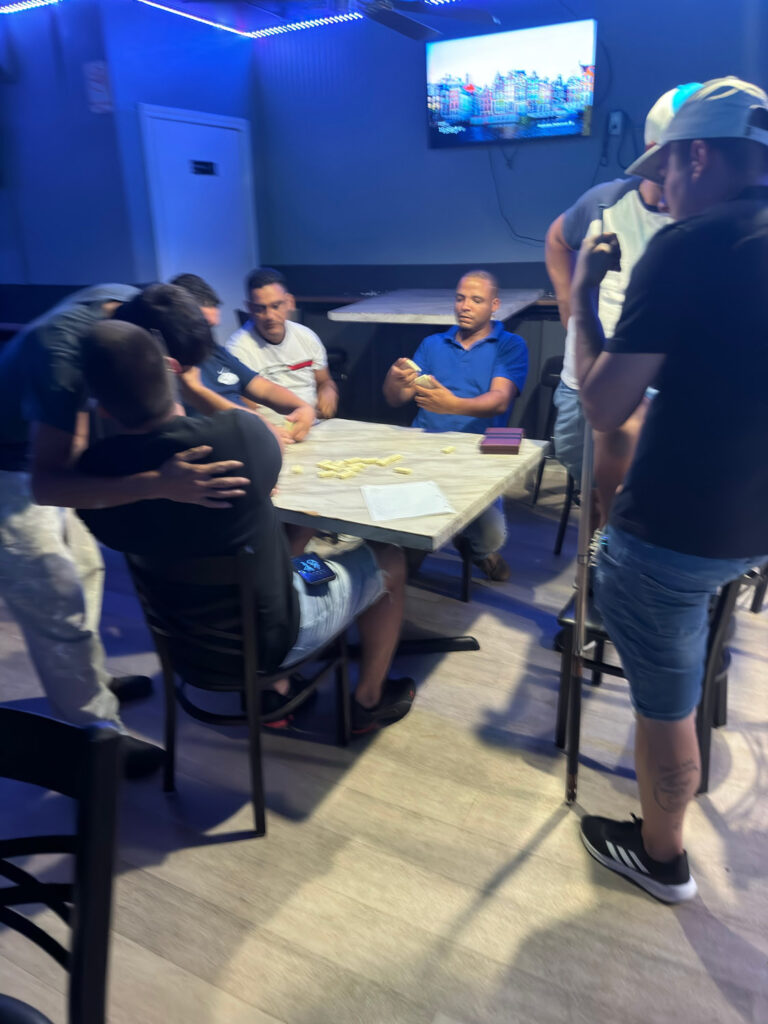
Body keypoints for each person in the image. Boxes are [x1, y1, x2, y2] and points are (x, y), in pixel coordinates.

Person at [571, 76, 768, 902]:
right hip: (755, 522)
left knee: (666, 704)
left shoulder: (686, 248)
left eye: (665, 172)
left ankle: (663, 858)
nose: (660, 190)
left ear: (697, 155)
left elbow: (604, 406)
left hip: (674, 529)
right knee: (688, 662)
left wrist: (583, 291)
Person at [78, 320, 415, 735]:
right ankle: (369, 701)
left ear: (103, 407)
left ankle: (275, 690)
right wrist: (197, 389)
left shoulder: (93, 480)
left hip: (185, 646)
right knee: (390, 557)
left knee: (289, 548)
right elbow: (271, 433)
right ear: (172, 369)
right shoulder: (236, 437)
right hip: (274, 638)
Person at [0, 284, 249, 778]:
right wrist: (157, 483)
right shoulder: (64, 359)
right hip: (10, 471)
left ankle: (88, 683)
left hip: (39, 454)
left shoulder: (135, 304)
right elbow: (51, 484)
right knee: (56, 602)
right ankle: (96, 742)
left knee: (87, 567)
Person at [546, 84, 701, 521]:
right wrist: (567, 300)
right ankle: (596, 564)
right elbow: (557, 238)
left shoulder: (704, 221)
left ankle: (615, 561)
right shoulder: (605, 202)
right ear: (654, 155)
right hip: (587, 375)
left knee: (640, 497)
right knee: (591, 485)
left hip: (658, 385)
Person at [382, 270, 528, 581]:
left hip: (480, 452)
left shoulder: (510, 345)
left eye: (476, 300)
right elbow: (398, 398)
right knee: (401, 531)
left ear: (494, 305)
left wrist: (453, 405)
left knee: (491, 537)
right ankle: (415, 546)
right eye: (460, 298)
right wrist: (394, 380)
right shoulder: (433, 343)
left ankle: (473, 546)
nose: (465, 306)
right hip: (425, 447)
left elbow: (500, 400)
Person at [168, 273, 315, 445]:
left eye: (212, 327)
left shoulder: (215, 351)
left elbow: (264, 389)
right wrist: (261, 427)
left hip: (261, 440)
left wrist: (302, 407)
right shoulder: (168, 370)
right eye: (204, 327)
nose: (207, 336)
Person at [227, 268, 338, 419]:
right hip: (271, 430)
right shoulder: (237, 350)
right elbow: (247, 411)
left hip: (313, 421)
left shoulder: (307, 337)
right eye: (261, 309)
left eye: (276, 306)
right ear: (250, 309)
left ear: (289, 302)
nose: (270, 316)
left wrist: (328, 391)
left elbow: (324, 381)